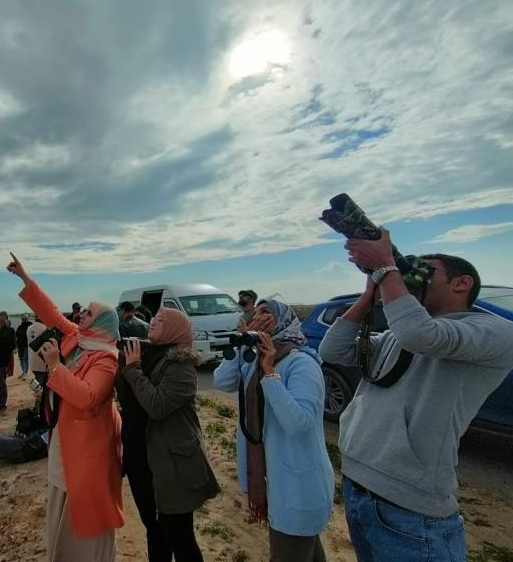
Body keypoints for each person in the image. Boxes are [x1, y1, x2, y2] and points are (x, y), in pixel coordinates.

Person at [319, 231, 513, 562]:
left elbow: (423, 335)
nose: (409, 274)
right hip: (359, 489)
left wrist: (385, 265)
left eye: (425, 270)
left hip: (410, 508)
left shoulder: (494, 331)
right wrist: (370, 294)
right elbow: (332, 350)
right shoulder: (398, 334)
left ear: (461, 283)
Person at [7, 253, 123, 562]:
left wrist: (57, 366)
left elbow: (87, 396)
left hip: (87, 447)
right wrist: (25, 278)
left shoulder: (106, 359)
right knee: (62, 498)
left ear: (100, 323)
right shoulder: (77, 337)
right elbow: (51, 312)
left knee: (84, 509)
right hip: (65, 436)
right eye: (83, 311)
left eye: (88, 312)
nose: (82, 314)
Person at [214, 298, 333, 562]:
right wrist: (240, 342)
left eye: (266, 313)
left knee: (290, 550)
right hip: (274, 481)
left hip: (298, 487)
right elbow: (221, 382)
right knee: (307, 552)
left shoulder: (301, 363)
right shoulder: (254, 359)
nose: (259, 318)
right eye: (255, 313)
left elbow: (298, 422)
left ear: (283, 320)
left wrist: (269, 373)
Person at [119, 307, 220, 562]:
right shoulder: (156, 356)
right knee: (157, 530)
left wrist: (132, 370)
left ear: (175, 330)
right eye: (153, 318)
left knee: (179, 536)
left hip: (175, 463)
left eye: (161, 321)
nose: (153, 322)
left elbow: (157, 406)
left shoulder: (181, 366)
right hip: (152, 459)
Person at [27, 320, 50, 389]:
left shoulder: (29, 328)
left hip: (32, 358)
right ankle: (39, 397)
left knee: (37, 379)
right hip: (42, 360)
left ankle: (37, 393)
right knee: (43, 383)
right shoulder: (45, 328)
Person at [16, 314, 33, 379]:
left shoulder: (30, 326)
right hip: (21, 346)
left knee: (24, 359)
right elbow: (17, 336)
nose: (23, 320)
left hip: (26, 346)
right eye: (23, 319)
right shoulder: (20, 327)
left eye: (24, 319)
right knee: (22, 359)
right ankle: (24, 372)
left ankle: (25, 373)